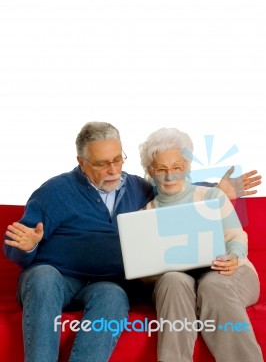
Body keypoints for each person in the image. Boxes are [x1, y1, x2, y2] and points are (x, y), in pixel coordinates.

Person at [3, 122, 262, 362]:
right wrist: (27, 246)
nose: (114, 170)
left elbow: (176, 188)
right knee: (44, 276)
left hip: (105, 283)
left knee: (114, 294)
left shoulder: (137, 188)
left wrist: (219, 189)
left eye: (118, 159)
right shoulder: (55, 191)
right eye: (102, 164)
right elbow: (17, 240)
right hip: (58, 278)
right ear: (81, 162)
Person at [139, 127, 263, 362]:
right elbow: (146, 272)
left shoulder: (212, 197)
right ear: (150, 172)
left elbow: (236, 237)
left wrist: (234, 257)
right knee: (172, 280)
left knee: (212, 286)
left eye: (177, 168)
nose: (170, 176)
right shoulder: (147, 214)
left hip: (229, 272)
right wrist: (153, 272)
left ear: (186, 167)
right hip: (181, 282)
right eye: (162, 170)